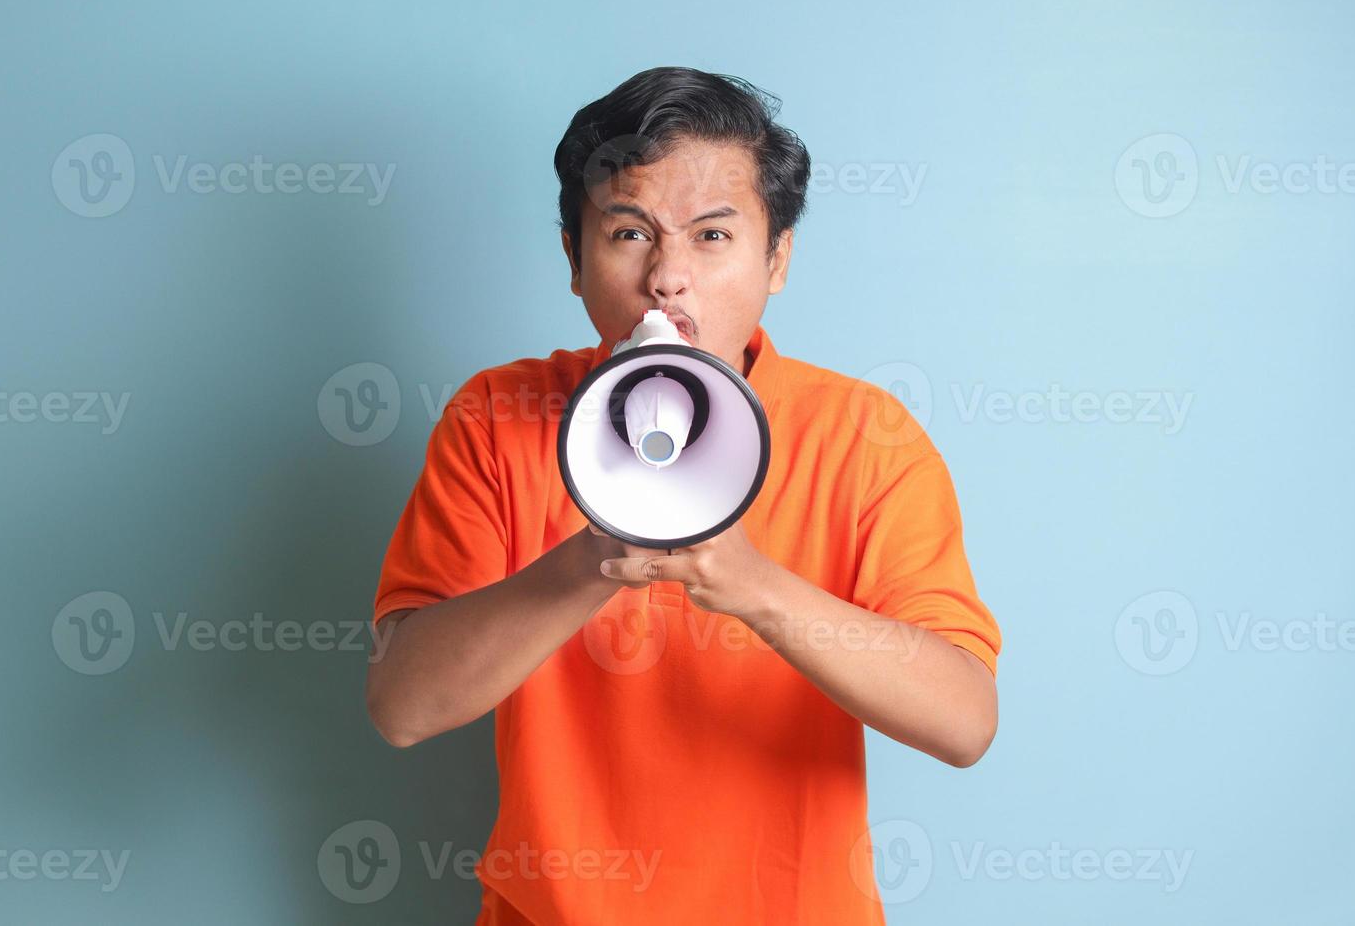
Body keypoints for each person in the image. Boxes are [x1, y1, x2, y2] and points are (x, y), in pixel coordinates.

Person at [366, 66, 1002, 925]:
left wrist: (749, 584)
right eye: (629, 233)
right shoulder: (494, 416)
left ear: (776, 258)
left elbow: (964, 722)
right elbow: (403, 707)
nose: (668, 279)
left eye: (711, 237)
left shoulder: (865, 436)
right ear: (572, 256)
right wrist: (594, 560)